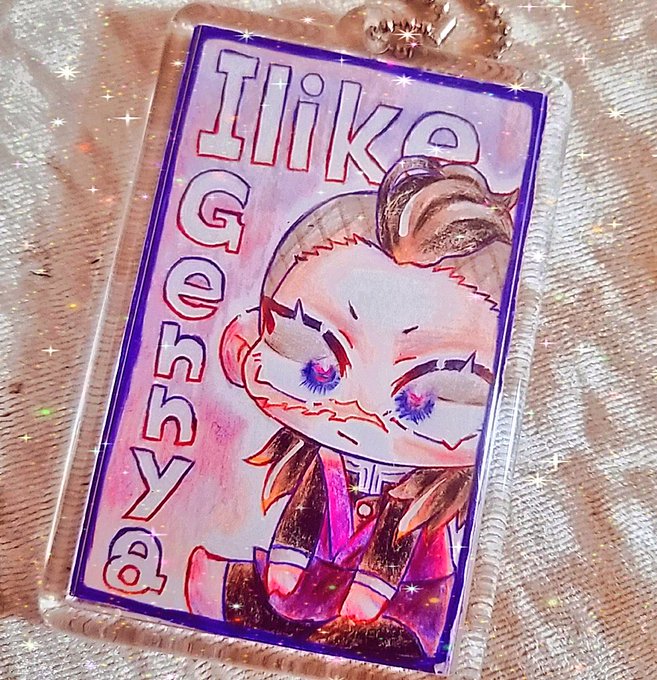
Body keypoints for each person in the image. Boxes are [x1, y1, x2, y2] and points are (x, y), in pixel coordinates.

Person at [185, 155, 518, 664]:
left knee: (378, 636)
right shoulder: (325, 461)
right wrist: (288, 559)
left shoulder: (416, 487)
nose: (360, 415)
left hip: (404, 598)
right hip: (323, 579)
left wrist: (371, 591)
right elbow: (305, 510)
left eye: (422, 401)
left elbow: (394, 540)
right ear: (245, 341)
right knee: (259, 596)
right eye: (319, 368)